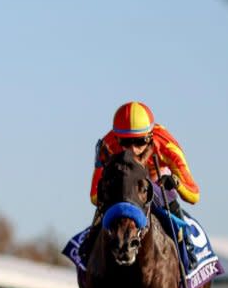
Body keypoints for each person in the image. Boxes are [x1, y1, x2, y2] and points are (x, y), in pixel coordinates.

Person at [79, 101, 200, 264]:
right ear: (116, 137)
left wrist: (175, 182)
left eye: (139, 141)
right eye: (125, 142)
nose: (132, 150)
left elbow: (194, 195)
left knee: (162, 193)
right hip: (122, 182)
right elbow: (95, 197)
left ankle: (186, 247)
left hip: (157, 180)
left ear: (150, 137)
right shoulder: (107, 145)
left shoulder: (167, 146)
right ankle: (89, 244)